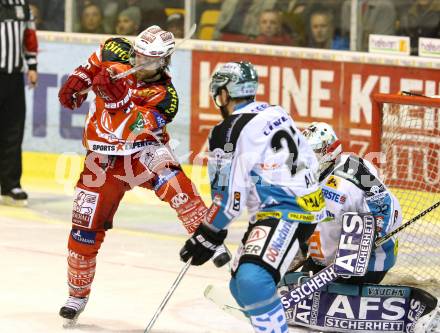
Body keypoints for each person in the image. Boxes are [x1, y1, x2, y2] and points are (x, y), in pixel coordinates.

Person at [57, 26, 229, 325]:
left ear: (164, 61)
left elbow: (132, 129)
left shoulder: (166, 97)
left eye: (150, 61)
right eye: (139, 56)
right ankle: (77, 294)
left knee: (178, 186)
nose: (141, 64)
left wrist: (117, 101)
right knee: (83, 230)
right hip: (102, 160)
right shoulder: (115, 49)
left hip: (142, 153)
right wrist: (78, 82)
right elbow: (91, 64)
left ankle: (210, 237)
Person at [179, 61, 327, 333]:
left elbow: (227, 201)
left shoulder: (226, 130)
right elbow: (309, 160)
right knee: (240, 286)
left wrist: (206, 234)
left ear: (223, 94)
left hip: (286, 209)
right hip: (302, 205)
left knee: (252, 281)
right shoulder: (274, 110)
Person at [299, 122, 402, 284]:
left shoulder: (354, 170)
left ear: (329, 151)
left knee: (341, 290)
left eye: (312, 152)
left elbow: (386, 204)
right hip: (326, 257)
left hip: (369, 259)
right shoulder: (301, 177)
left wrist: (377, 233)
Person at [0, 0, 38, 206]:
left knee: (13, 131)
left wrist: (32, 66)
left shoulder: (22, 5)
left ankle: (10, 185)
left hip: (14, 75)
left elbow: (29, 36)